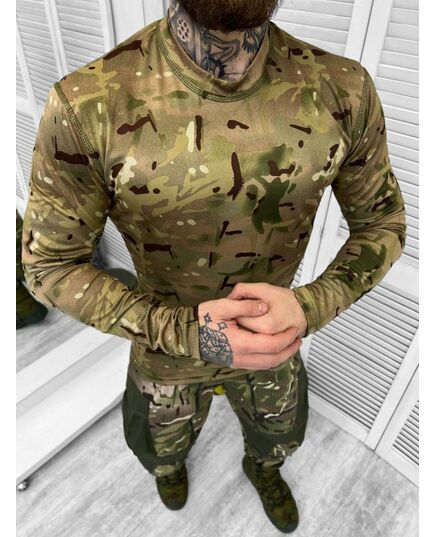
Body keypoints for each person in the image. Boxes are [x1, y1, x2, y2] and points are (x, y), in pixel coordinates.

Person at [20, 0, 406, 533]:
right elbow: (49, 265)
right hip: (166, 351)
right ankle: (170, 470)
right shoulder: (88, 104)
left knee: (280, 438)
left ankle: (262, 469)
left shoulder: (344, 90)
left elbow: (382, 222)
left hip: (273, 342)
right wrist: (184, 333)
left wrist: (313, 305)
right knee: (158, 447)